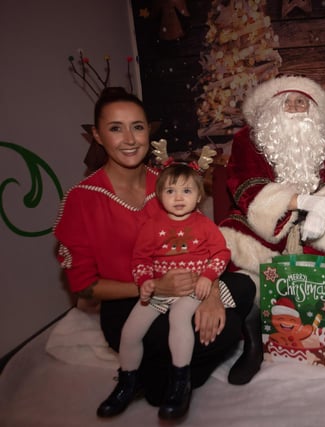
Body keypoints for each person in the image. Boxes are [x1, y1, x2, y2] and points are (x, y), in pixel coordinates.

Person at [53, 87, 256, 419]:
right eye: (116, 128)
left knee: (242, 291)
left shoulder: (166, 183)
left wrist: (212, 292)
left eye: (138, 126)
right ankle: (155, 376)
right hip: (130, 301)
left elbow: (203, 243)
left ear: (149, 130)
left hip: (188, 288)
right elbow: (84, 287)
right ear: (97, 136)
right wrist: (152, 287)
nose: (130, 138)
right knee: (165, 383)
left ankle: (199, 353)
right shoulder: (82, 199)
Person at [218, 75, 325, 385]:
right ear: (271, 108)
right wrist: (299, 201)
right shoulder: (245, 140)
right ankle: (254, 344)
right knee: (239, 249)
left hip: (315, 217)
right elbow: (244, 188)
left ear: (314, 111)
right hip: (262, 221)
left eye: (301, 102)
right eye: (287, 102)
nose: (294, 108)